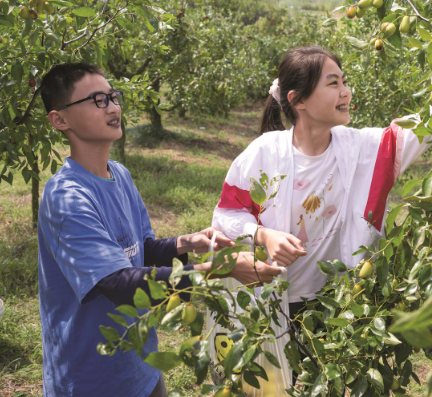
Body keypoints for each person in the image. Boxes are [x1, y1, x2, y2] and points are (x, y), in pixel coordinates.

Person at [211, 44, 432, 323]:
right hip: (275, 305)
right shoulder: (265, 154)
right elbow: (225, 216)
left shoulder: (365, 150)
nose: (346, 92)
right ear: (299, 100)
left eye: (345, 82)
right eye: (333, 84)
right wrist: (263, 235)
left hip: (342, 305)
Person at [37, 62, 282, 397]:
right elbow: (117, 284)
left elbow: (139, 250)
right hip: (91, 377)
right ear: (60, 119)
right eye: (97, 100)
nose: (112, 107)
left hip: (139, 364)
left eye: (113, 97)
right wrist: (216, 271)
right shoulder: (67, 198)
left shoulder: (119, 174)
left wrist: (187, 242)